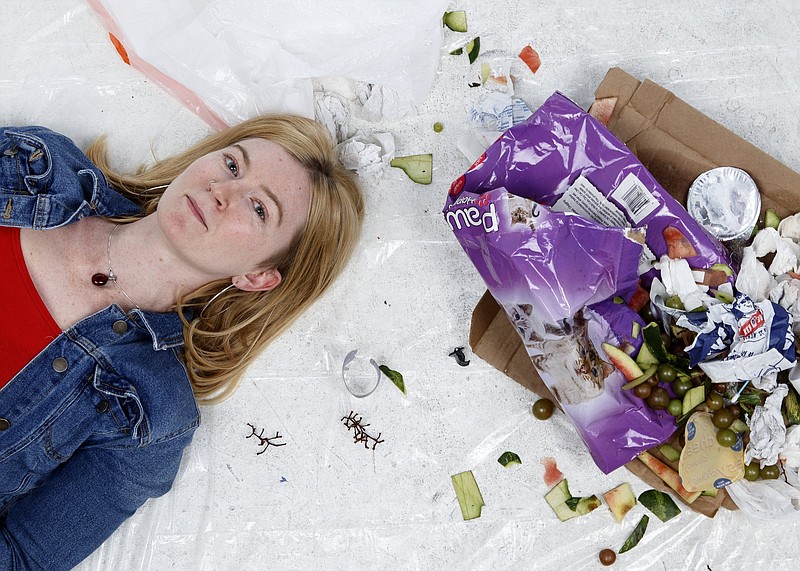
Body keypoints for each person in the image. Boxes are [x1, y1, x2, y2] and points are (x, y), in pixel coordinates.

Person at [0, 115, 364, 569]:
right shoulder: (38, 167)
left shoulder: (148, 417)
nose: (222, 191)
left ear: (258, 276)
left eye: (259, 208)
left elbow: (20, 559)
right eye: (233, 165)